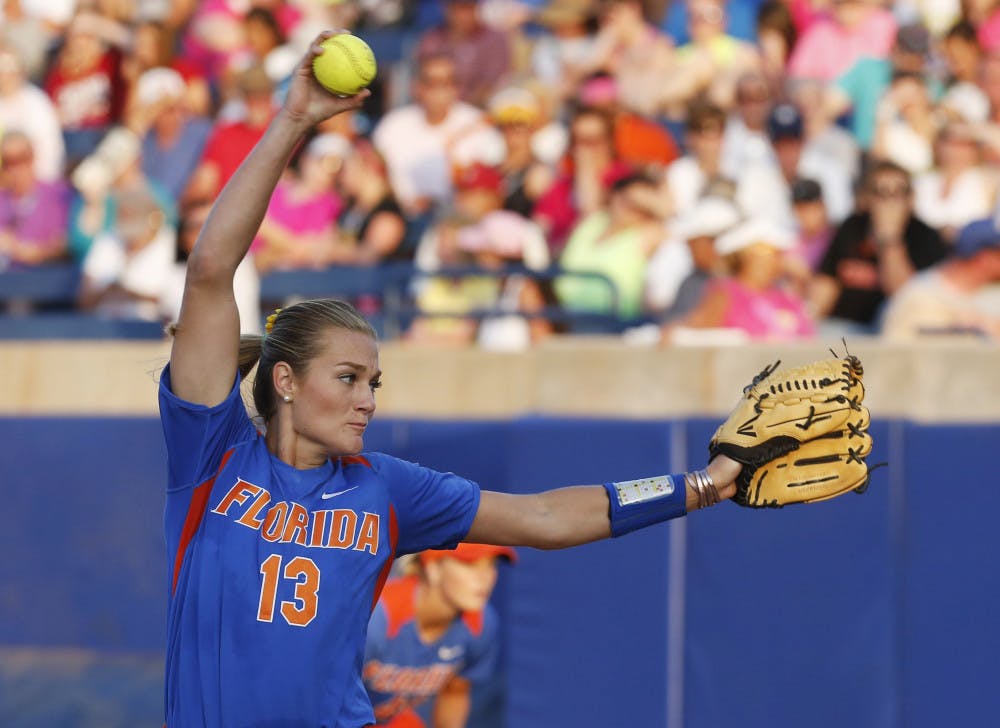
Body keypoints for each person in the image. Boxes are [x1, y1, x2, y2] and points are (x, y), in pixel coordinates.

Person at [159, 32, 741, 727]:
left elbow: (545, 517)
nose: (367, 400)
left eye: (374, 382)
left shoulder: (386, 487)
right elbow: (210, 272)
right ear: (283, 380)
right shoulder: (211, 454)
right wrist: (292, 122)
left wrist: (701, 487)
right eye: (347, 378)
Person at [364, 543, 515, 727]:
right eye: (470, 564)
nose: (485, 578)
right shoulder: (376, 616)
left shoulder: (481, 623)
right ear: (433, 568)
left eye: (490, 565)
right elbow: (325, 693)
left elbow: (454, 693)